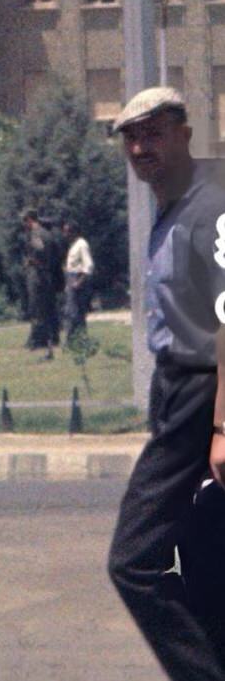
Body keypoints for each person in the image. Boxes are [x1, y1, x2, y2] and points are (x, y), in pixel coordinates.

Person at [107, 87, 225, 679]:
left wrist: (223, 427)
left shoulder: (209, 206)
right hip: (179, 389)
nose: (140, 148)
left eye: (153, 133)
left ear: (184, 133)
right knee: (206, 556)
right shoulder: (173, 204)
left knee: (133, 562)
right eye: (130, 137)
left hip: (203, 394)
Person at [22, 211, 58, 358]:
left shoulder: (36, 234)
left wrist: (32, 261)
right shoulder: (49, 234)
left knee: (36, 307)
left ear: (30, 220)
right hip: (47, 274)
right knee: (48, 308)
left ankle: (39, 340)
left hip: (38, 275)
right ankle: (52, 337)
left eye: (25, 222)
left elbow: (39, 250)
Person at [62, 220, 95, 338]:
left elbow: (89, 265)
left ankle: (75, 339)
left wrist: (79, 282)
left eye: (67, 232)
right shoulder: (73, 245)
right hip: (71, 278)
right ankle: (78, 338)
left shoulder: (82, 244)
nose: (65, 234)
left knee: (75, 312)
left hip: (78, 279)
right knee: (72, 311)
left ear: (74, 232)